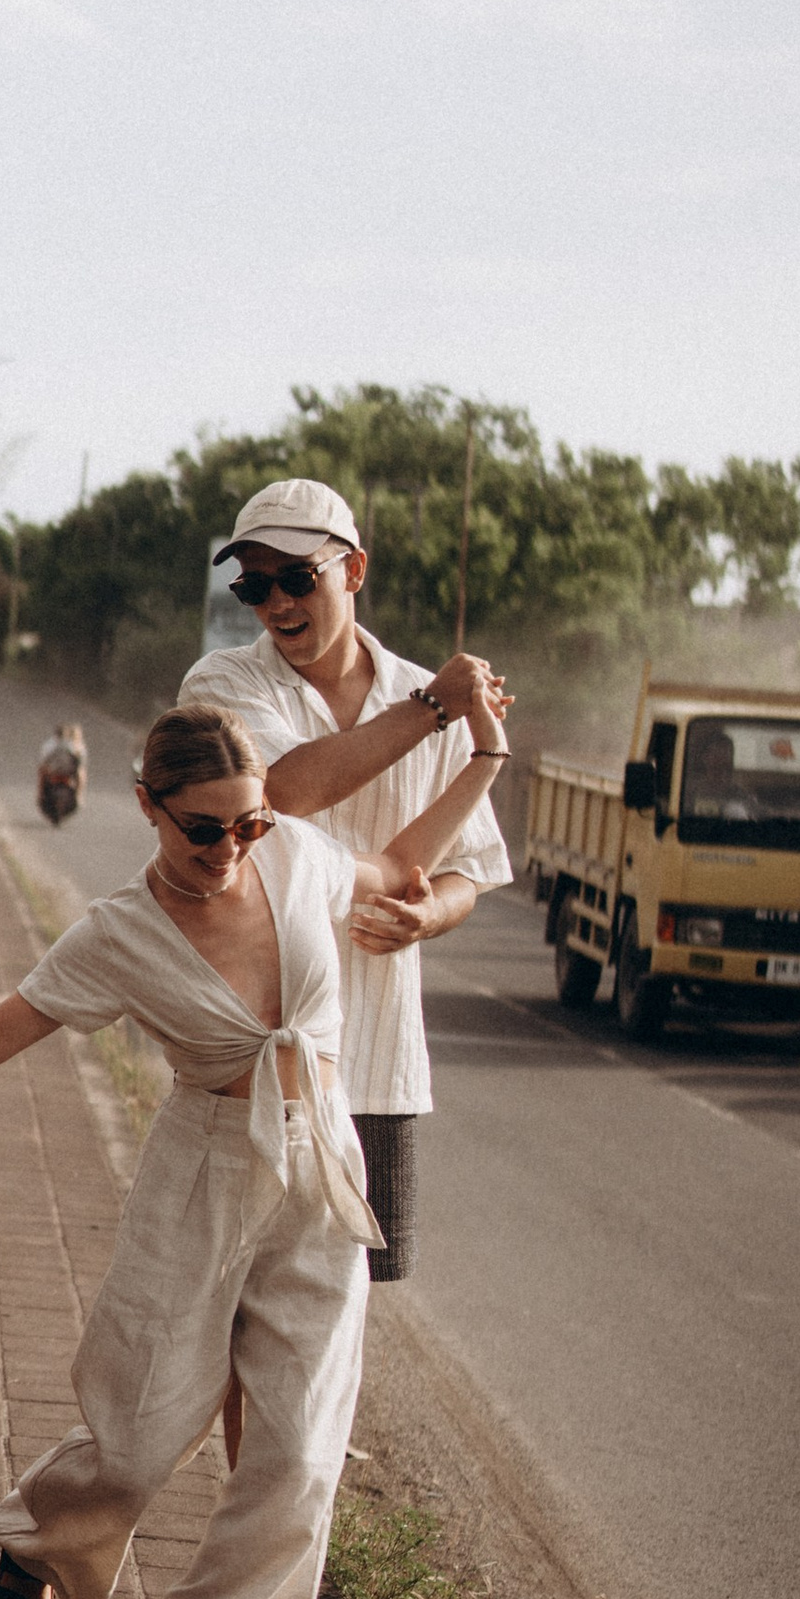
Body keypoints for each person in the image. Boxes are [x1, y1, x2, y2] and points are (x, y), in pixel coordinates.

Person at [0, 697, 512, 1599]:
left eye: (247, 823)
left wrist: (480, 757)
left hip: (316, 1177)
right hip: (199, 1175)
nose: (231, 848)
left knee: (297, 1458)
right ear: (148, 806)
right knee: (142, 1429)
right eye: (204, 828)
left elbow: (395, 869)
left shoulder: (293, 855)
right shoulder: (118, 933)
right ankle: (40, 1542)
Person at [177, 476, 512, 1283]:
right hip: (257, 1048)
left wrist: (430, 918)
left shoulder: (419, 693)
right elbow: (283, 789)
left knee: (351, 1303)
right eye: (255, 587)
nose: (278, 606)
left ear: (353, 571)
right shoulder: (225, 685)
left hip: (375, 1058)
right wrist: (435, 707)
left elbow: (470, 868)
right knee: (237, 1291)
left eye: (298, 579)